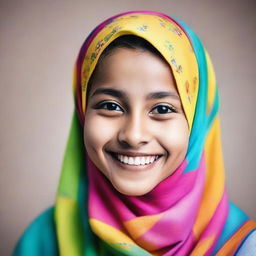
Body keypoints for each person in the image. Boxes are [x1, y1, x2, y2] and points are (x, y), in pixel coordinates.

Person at [13, 10, 256, 256]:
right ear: (82, 111)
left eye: (162, 109)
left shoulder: (241, 247)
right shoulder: (43, 242)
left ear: (197, 123)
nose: (133, 135)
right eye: (111, 106)